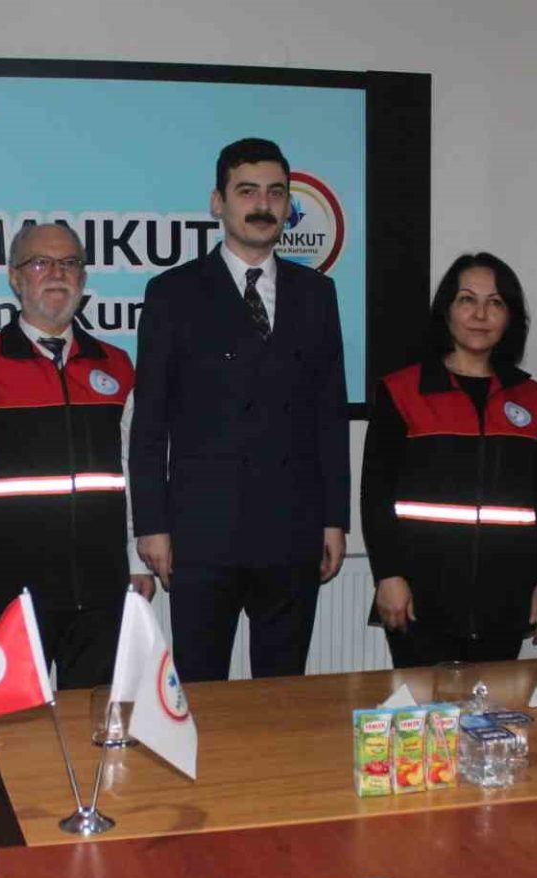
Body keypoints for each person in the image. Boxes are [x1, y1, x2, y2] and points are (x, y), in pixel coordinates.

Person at [131, 137, 350, 682]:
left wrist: (334, 519)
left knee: (282, 695)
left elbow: (329, 416)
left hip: (293, 530)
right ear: (218, 202)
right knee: (201, 692)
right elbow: (150, 420)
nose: (263, 204)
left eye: (276, 193)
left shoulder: (317, 293)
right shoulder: (172, 293)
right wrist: (152, 525)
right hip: (202, 534)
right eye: (247, 191)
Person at [0, 221, 154, 689]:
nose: (57, 273)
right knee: (14, 726)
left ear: (83, 278)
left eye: (69, 263)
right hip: (12, 592)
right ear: (15, 277)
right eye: (41, 262)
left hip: (102, 588)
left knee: (95, 722)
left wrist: (136, 558)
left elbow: (129, 470)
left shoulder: (116, 365)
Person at [361, 253, 537, 666]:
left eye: (495, 302)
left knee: (495, 706)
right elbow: (376, 493)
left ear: (510, 317)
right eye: (467, 300)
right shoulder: (402, 391)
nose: (480, 315)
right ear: (447, 310)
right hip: (419, 599)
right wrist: (388, 574)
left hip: (506, 600)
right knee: (423, 706)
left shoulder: (530, 397)